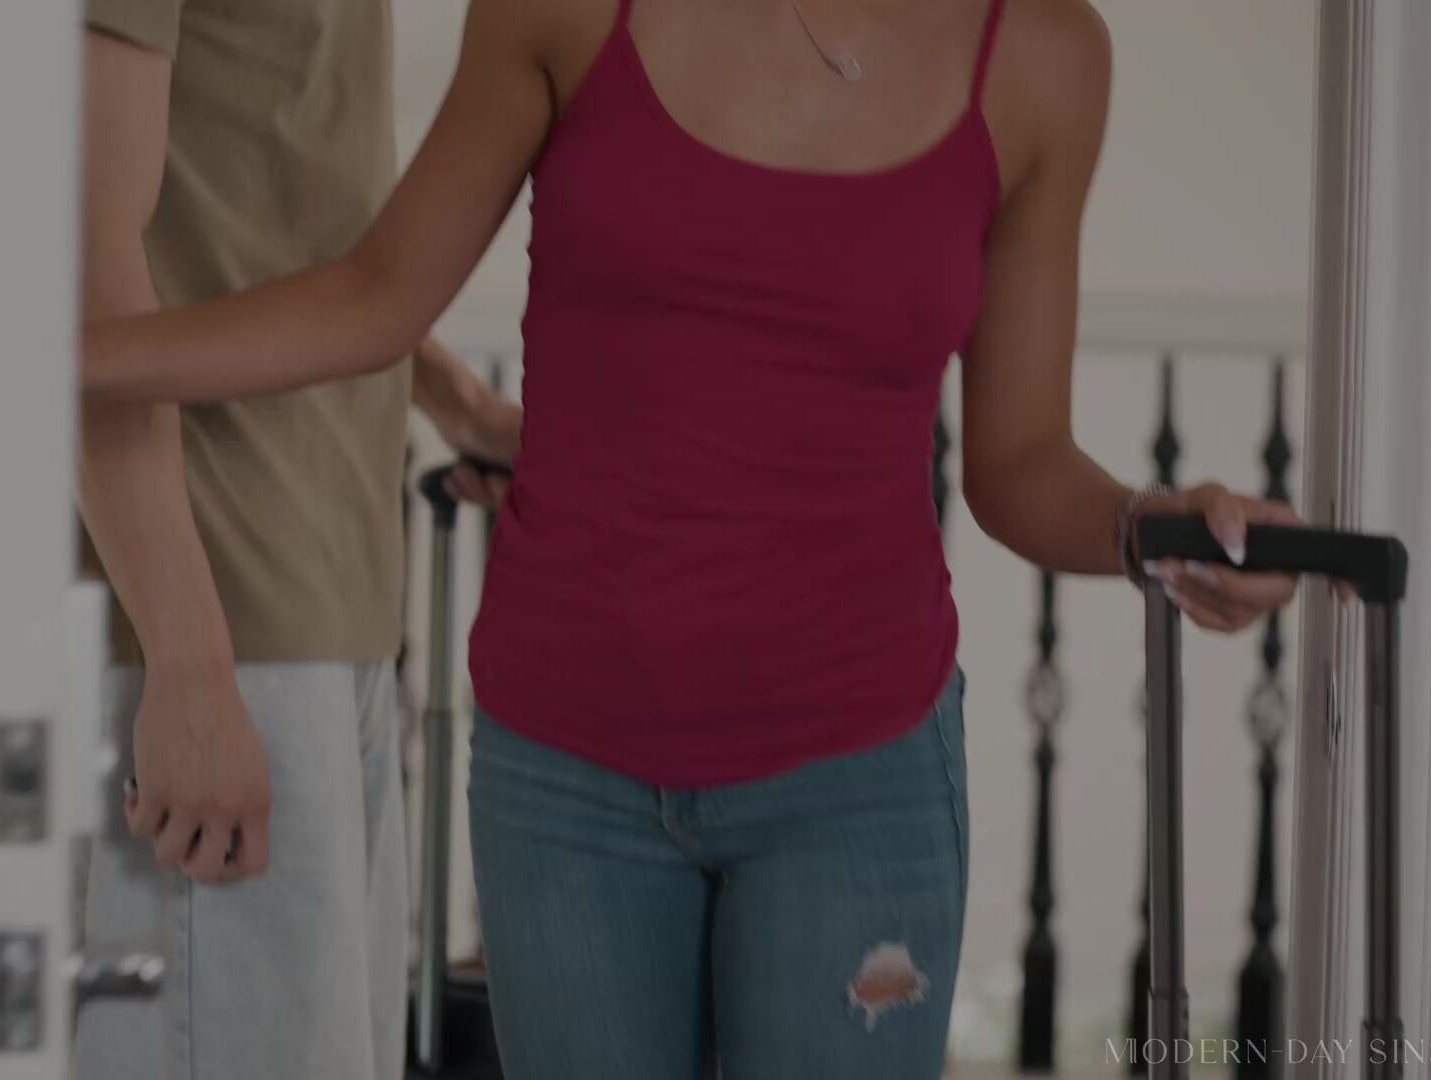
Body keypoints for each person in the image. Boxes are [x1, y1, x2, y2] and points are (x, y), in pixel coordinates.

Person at [81, 0, 1301, 1074]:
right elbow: (375, 297)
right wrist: (56, 359)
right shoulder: (562, 10)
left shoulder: (1043, 56)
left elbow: (1020, 463)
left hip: (857, 772)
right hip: (565, 777)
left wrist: (1151, 527)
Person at [69, 2, 519, 1078]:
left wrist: (461, 407)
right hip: (217, 604)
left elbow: (288, 199)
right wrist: (187, 656)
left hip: (333, 596)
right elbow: (82, 260)